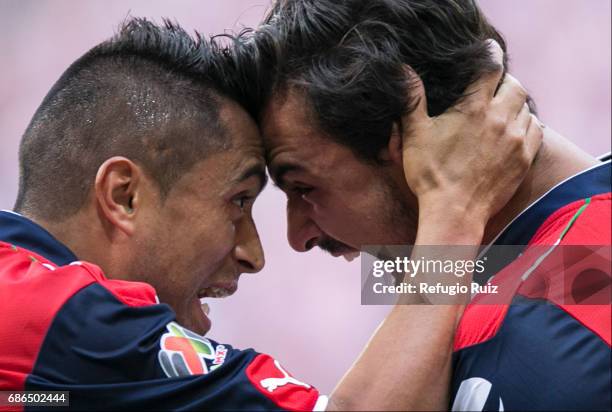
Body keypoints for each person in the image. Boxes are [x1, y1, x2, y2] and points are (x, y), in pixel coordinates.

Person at [0, 18, 539, 412]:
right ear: (124, 196)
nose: (258, 254)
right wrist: (454, 209)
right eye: (239, 201)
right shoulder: (65, 321)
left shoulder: (53, 372)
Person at [238, 0, 612, 410]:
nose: (298, 236)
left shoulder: (550, 334)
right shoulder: (549, 276)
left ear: (408, 137)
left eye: (303, 187)